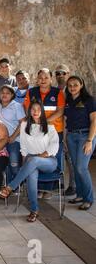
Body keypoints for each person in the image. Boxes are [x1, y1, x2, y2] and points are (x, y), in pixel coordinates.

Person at [0, 101, 59, 222]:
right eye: (33, 109)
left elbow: (54, 145)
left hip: (49, 160)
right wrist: (26, 163)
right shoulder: (24, 126)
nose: (35, 111)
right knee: (31, 175)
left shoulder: (50, 126)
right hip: (31, 160)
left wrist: (41, 156)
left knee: (34, 160)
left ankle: (11, 186)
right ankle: (34, 210)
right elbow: (24, 148)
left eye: (38, 109)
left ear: (42, 111)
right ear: (29, 111)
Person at [23, 68, 65, 199]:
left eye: (46, 77)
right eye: (40, 78)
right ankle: (39, 187)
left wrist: (44, 121)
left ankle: (50, 189)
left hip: (55, 131)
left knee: (53, 157)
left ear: (51, 79)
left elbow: (60, 111)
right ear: (37, 79)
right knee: (38, 156)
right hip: (36, 131)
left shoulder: (58, 93)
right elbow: (27, 108)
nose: (43, 80)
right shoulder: (31, 92)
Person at [64, 76, 96, 210]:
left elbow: (94, 121)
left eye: (75, 85)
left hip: (85, 135)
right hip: (71, 136)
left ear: (81, 85)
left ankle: (89, 199)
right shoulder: (67, 101)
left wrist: (89, 140)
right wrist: (65, 138)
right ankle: (80, 194)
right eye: (70, 85)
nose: (72, 87)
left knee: (81, 167)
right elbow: (65, 120)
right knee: (75, 166)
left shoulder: (89, 100)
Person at [0, 85, 26, 182]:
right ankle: (8, 185)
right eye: (2, 92)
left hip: (14, 140)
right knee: (1, 163)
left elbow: (23, 123)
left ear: (12, 95)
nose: (4, 95)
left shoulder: (16, 106)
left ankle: (17, 183)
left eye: (7, 93)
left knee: (13, 163)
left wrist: (12, 137)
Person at [54, 64, 76, 196]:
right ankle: (59, 183)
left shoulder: (73, 90)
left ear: (68, 74)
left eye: (63, 73)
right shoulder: (55, 91)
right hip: (57, 129)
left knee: (71, 159)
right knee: (58, 157)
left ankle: (73, 185)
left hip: (70, 129)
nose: (60, 75)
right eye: (58, 73)